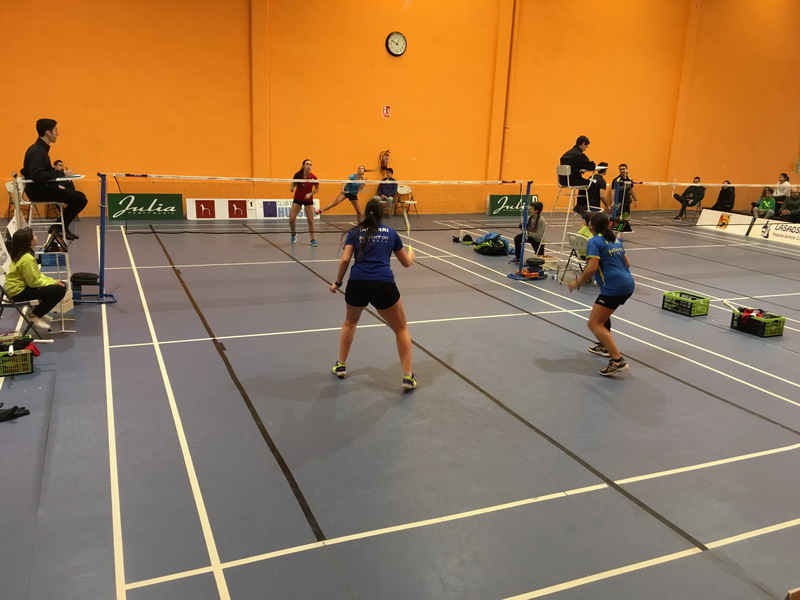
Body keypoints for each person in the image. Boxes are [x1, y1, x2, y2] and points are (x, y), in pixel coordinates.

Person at [329, 199, 417, 389]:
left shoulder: (354, 233)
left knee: (350, 322)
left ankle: (341, 365)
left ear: (365, 213)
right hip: (383, 285)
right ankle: (407, 377)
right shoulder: (391, 233)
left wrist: (338, 283)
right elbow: (406, 263)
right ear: (381, 214)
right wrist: (412, 256)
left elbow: (345, 260)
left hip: (357, 284)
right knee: (401, 329)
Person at [567, 212, 634, 376]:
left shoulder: (594, 241)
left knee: (594, 323)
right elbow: (627, 263)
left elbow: (591, 268)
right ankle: (604, 346)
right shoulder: (615, 239)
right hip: (627, 283)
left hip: (614, 287)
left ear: (591, 225)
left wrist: (577, 282)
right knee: (602, 316)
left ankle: (617, 360)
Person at [21, 119, 88, 240]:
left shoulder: (41, 150)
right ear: (48, 132)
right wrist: (62, 173)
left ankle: (61, 227)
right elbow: (37, 175)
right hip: (39, 192)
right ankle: (57, 227)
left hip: (45, 188)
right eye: (55, 130)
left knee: (81, 197)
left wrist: (60, 177)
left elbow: (45, 172)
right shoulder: (36, 151)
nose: (57, 133)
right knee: (80, 199)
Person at [4, 227, 67, 332]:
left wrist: (53, 281)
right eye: (35, 236)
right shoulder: (27, 259)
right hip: (18, 294)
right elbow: (34, 282)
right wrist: (53, 282)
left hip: (16, 290)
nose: (37, 237)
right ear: (30, 241)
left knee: (56, 286)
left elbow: (37, 276)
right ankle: (34, 315)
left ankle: (39, 311)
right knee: (59, 290)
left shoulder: (22, 254)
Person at [289, 159, 319, 246]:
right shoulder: (298, 175)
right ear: (303, 166)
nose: (309, 166)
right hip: (298, 199)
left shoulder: (313, 177)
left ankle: (312, 239)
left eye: (310, 164)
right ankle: (294, 233)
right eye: (307, 164)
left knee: (311, 221)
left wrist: (310, 194)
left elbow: (317, 189)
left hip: (308, 200)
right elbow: (293, 183)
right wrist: (292, 188)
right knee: (291, 219)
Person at [609, 164, 638, 231]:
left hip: (626, 201)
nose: (622, 170)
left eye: (623, 169)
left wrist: (635, 199)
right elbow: (613, 191)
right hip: (618, 201)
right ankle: (615, 230)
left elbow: (631, 190)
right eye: (621, 169)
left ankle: (622, 229)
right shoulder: (616, 180)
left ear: (626, 169)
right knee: (617, 217)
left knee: (626, 216)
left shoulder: (630, 179)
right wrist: (613, 201)